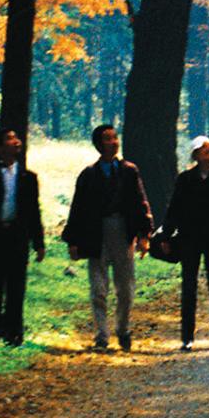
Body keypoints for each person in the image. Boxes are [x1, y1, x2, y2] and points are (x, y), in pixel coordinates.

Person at [62, 123, 152, 352]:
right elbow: (78, 208)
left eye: (115, 138)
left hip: (122, 230)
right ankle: (102, 334)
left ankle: (122, 329)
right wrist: (73, 240)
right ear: (98, 145)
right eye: (107, 139)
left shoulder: (129, 171)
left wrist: (144, 235)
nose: (113, 142)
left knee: (125, 287)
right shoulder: (88, 175)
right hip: (96, 232)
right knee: (98, 288)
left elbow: (140, 202)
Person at [165, 135, 209, 350]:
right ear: (196, 155)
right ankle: (187, 336)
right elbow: (175, 208)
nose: (208, 153)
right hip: (189, 238)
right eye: (204, 150)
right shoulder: (185, 179)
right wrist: (167, 235)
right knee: (189, 286)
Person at [0, 126, 43, 346]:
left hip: (17, 236)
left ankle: (14, 334)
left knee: (16, 288)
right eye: (9, 139)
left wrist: (38, 243)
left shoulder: (28, 177)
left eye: (16, 138)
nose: (16, 142)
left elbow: (33, 211)